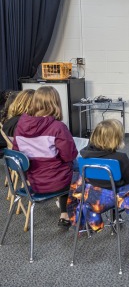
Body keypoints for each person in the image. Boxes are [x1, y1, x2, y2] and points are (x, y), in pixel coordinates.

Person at [13, 86, 77, 228]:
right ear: (56, 103)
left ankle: (65, 212)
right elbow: (69, 155)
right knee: (78, 167)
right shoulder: (58, 127)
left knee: (63, 167)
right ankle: (69, 213)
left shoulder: (20, 125)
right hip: (57, 182)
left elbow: (17, 156)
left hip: (33, 183)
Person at [80, 119, 129, 188]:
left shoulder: (84, 155)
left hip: (92, 193)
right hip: (116, 194)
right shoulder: (120, 158)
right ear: (117, 139)